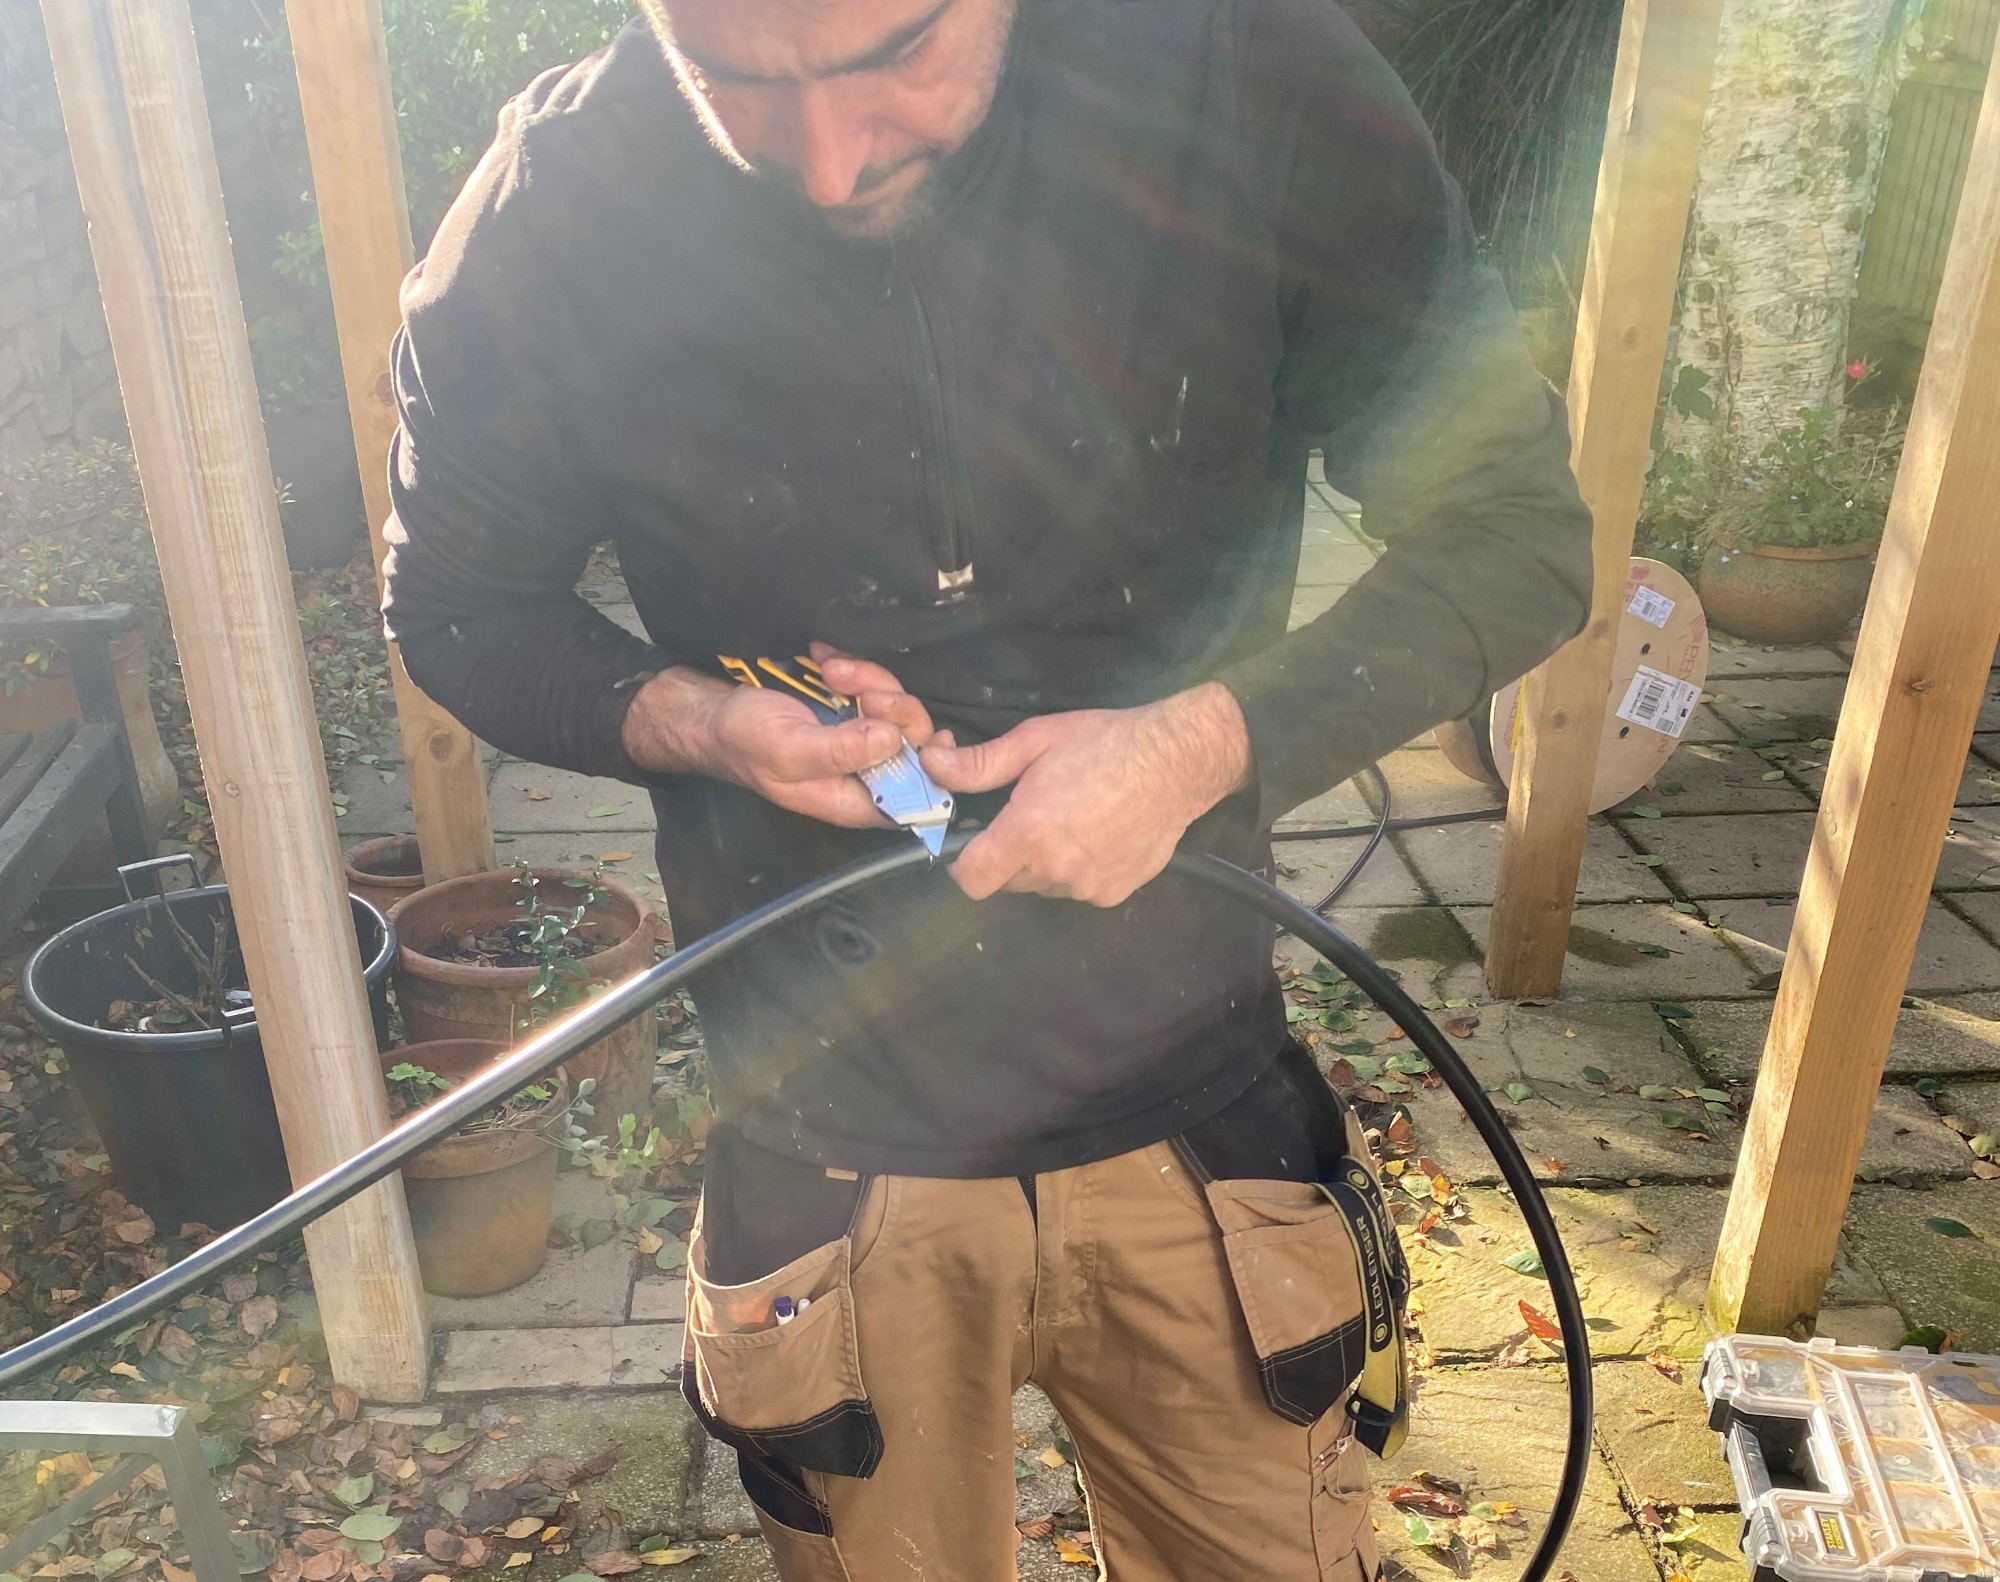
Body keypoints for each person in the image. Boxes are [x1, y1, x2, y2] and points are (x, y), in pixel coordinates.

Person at [381, 0, 1593, 1575]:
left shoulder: (1246, 83)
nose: (828, 163)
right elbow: (456, 601)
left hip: (1197, 1105)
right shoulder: (560, 202)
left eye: (893, 56)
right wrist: (700, 722)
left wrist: (1199, 743)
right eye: (731, 80)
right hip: (824, 1142)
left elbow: (1516, 530)